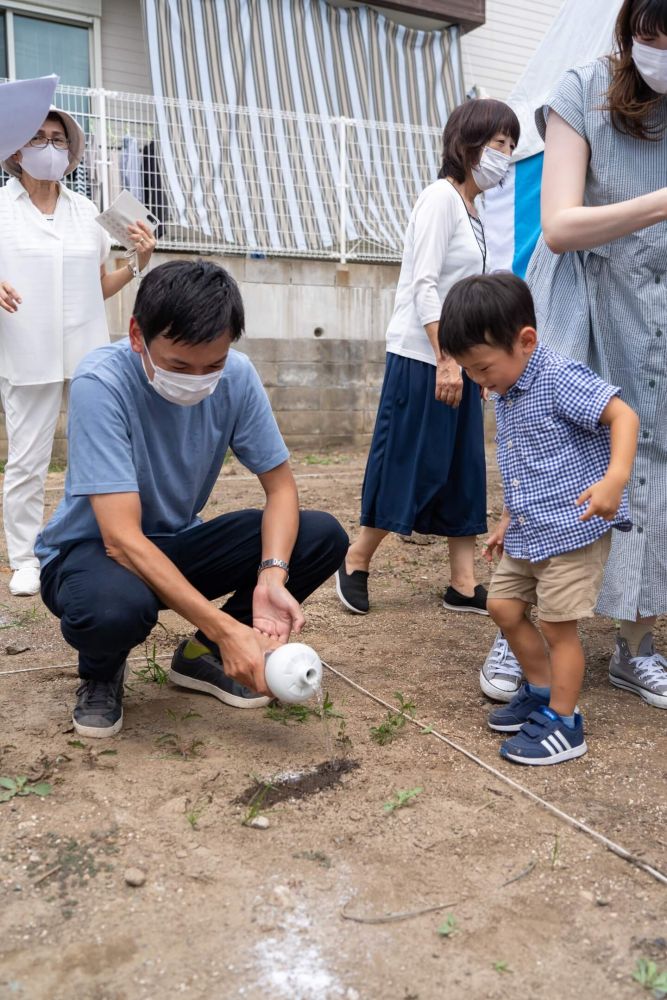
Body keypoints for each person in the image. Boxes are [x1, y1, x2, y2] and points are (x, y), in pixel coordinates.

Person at [36, 259, 348, 739]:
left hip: (177, 542)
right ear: (137, 334)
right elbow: (120, 539)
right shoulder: (102, 383)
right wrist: (231, 629)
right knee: (113, 609)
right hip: (95, 552)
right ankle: (101, 672)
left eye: (214, 364)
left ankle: (203, 655)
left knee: (320, 534)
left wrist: (272, 574)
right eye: (180, 365)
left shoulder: (238, 378)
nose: (198, 378)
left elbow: (281, 488)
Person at [491, 0, 667, 710]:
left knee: (655, 471)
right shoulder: (580, 90)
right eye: (652, 35)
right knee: (551, 457)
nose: (661, 49)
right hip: (584, 302)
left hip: (655, 308)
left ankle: (637, 644)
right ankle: (516, 634)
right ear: (629, 33)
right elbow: (560, 225)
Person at [440, 273, 639, 764]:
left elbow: (624, 416)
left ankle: (566, 723)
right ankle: (541, 688)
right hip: (529, 530)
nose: (476, 380)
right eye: (468, 369)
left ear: (525, 341)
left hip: (573, 531)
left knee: (558, 627)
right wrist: (507, 519)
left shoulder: (557, 376)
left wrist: (615, 479)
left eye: (482, 367)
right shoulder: (505, 388)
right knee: (503, 606)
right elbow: (525, 460)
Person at [335, 99, 520, 617]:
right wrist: (444, 360)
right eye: (497, 144)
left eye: (511, 146)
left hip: (460, 359)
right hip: (422, 356)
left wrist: (476, 363)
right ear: (466, 143)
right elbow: (425, 285)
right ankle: (356, 559)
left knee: (462, 466)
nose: (504, 156)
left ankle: (462, 583)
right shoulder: (439, 198)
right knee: (407, 460)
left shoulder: (475, 212)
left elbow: (471, 296)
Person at [0, 107, 156, 597]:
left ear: (71, 153)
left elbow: (98, 285)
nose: (49, 148)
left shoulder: (87, 211)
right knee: (28, 457)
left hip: (86, 345)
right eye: (38, 138)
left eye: (58, 140)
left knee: (97, 452)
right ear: (16, 150)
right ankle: (24, 558)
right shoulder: (1, 210)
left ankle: (88, 542)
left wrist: (138, 263)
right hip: (26, 347)